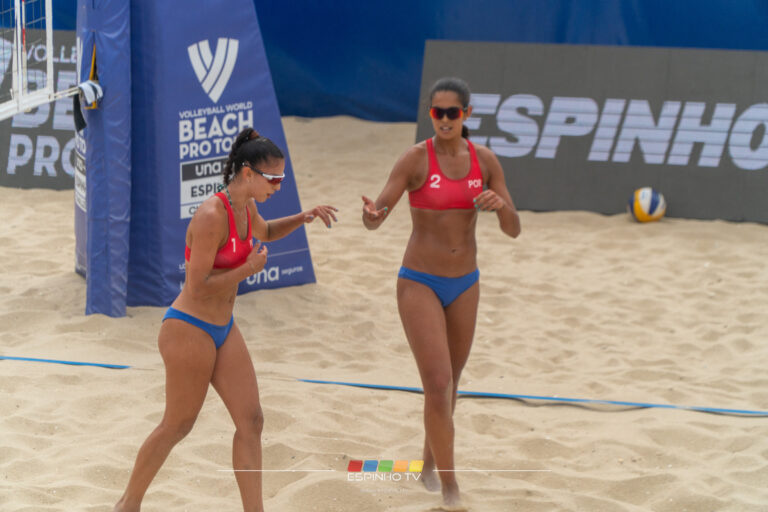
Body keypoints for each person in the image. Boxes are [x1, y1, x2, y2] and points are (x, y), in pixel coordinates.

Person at [114, 127, 338, 512]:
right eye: (274, 179)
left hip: (222, 328)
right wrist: (247, 270)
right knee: (177, 426)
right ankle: (127, 504)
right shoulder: (211, 216)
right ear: (248, 173)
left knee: (252, 420)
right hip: (189, 328)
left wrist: (303, 217)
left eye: (283, 179)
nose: (279, 186)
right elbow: (198, 286)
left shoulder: (246, 207)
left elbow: (265, 231)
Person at [361, 77, 520, 510]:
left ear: (466, 115)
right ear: (430, 115)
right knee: (436, 382)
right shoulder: (415, 159)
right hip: (420, 280)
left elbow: (514, 230)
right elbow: (378, 215)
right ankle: (451, 489)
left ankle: (429, 467)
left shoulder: (484, 161)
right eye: (437, 112)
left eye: (452, 112)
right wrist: (372, 216)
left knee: (451, 387)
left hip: (465, 282)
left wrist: (500, 206)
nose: (444, 119)